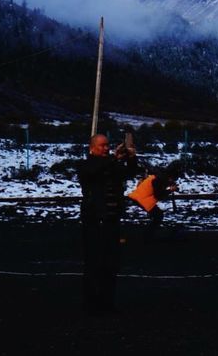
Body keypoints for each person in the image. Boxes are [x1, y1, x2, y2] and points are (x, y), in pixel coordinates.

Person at [79, 132, 137, 313]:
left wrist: (131, 158)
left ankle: (107, 303)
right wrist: (114, 158)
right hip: (94, 221)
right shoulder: (85, 164)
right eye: (102, 145)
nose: (106, 148)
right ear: (92, 148)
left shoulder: (111, 165)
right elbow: (93, 172)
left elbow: (130, 173)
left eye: (107, 145)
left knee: (111, 264)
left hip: (112, 220)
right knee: (94, 263)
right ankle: (91, 303)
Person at [126, 164, 179, 239]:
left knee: (156, 215)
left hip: (138, 196)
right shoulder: (159, 180)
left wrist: (170, 186)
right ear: (170, 177)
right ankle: (148, 236)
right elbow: (158, 195)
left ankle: (149, 234)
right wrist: (170, 190)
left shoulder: (159, 177)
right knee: (158, 215)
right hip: (143, 199)